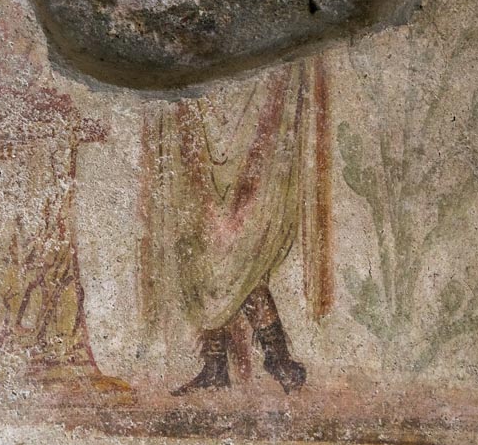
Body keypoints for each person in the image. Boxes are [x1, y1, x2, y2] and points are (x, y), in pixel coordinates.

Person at [139, 57, 334, 394]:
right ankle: (239, 365)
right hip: (203, 108)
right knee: (202, 254)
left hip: (247, 113)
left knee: (237, 261)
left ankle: (276, 361)